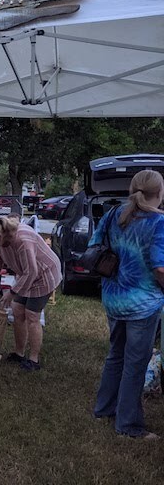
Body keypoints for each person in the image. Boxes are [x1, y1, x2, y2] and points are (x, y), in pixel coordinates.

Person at [92, 169, 164, 440]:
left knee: (116, 355)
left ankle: (104, 409)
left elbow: (94, 246)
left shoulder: (113, 214)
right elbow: (160, 268)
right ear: (160, 193)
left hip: (114, 298)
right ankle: (129, 425)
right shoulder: (158, 222)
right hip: (142, 304)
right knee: (135, 363)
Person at [0, 215, 61, 371]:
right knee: (17, 310)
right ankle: (19, 353)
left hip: (44, 275)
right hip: (26, 275)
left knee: (32, 315)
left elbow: (32, 272)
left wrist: (11, 293)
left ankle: (34, 360)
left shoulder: (23, 240)